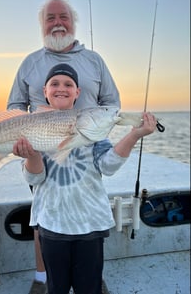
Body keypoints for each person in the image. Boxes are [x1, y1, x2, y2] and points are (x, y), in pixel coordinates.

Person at [7, 0, 120, 294]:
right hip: (40, 150)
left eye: (63, 17)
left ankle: (90, 276)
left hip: (86, 150)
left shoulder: (94, 60)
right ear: (42, 25)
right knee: (44, 212)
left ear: (73, 23)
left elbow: (112, 103)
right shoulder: (30, 63)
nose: (57, 23)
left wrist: (94, 134)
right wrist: (23, 133)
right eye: (50, 18)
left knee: (84, 208)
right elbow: (14, 105)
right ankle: (43, 276)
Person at [12, 64, 157, 294]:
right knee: (56, 288)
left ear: (78, 92)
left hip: (90, 225)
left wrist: (134, 134)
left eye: (68, 84)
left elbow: (108, 166)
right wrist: (32, 155)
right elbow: (34, 178)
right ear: (45, 91)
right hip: (52, 225)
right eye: (55, 84)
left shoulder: (94, 129)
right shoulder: (32, 125)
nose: (62, 88)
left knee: (89, 288)